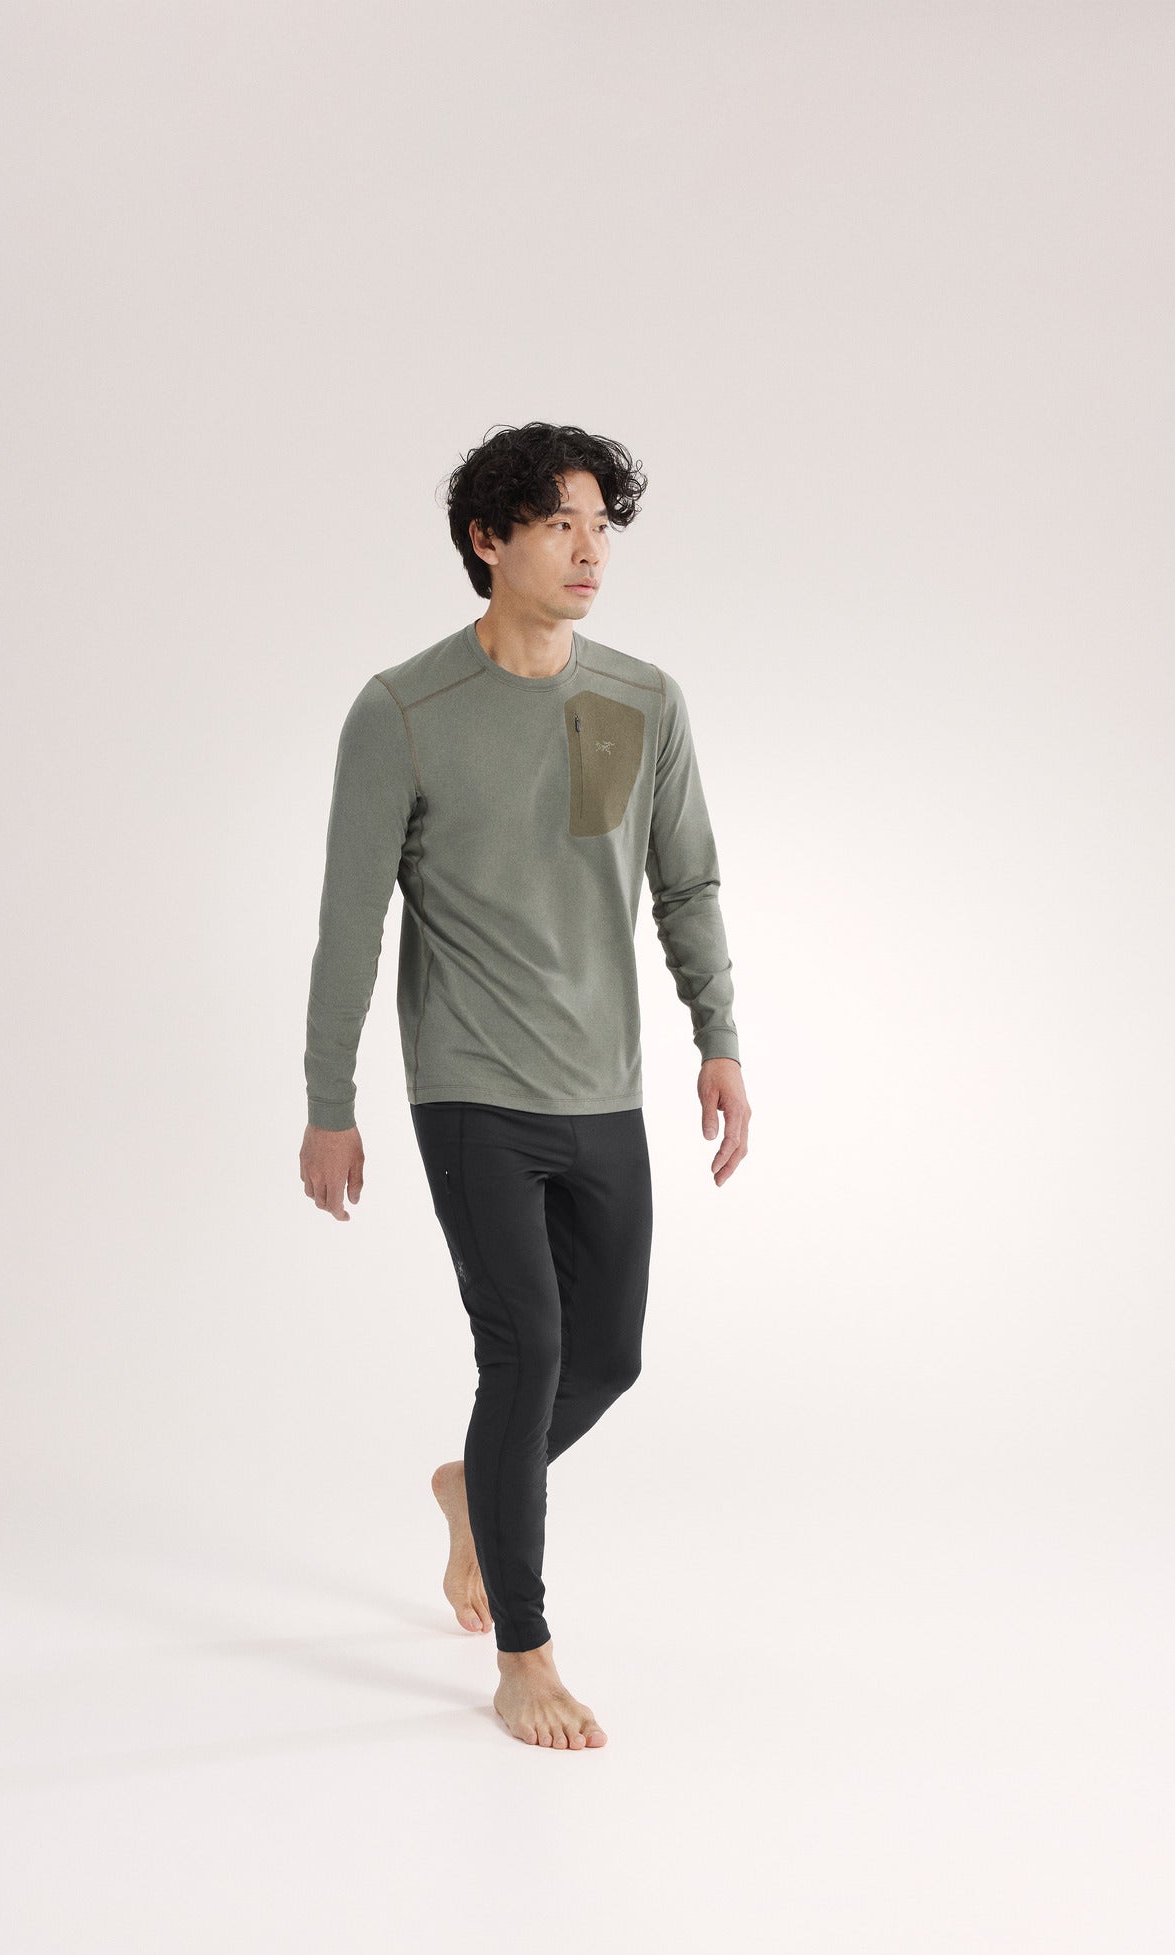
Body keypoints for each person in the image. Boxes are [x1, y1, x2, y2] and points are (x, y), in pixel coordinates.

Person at [298, 421, 751, 1750]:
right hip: (472, 1087)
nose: (589, 550)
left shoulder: (642, 700)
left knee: (607, 1358)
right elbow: (349, 919)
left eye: (601, 526)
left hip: (603, 1085)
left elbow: (685, 884)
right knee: (528, 1349)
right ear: (487, 540)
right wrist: (331, 1102)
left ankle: (471, 1490)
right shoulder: (403, 712)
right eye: (560, 525)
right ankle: (526, 1652)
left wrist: (719, 1038)